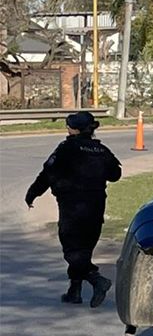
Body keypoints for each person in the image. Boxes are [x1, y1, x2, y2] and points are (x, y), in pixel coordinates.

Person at [25, 111, 122, 307]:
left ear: (74, 129)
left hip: (72, 206)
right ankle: (74, 291)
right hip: (96, 206)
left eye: (68, 126)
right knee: (84, 248)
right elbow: (115, 174)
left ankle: (97, 280)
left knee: (72, 249)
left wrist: (32, 193)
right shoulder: (101, 150)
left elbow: (47, 174)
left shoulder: (66, 148)